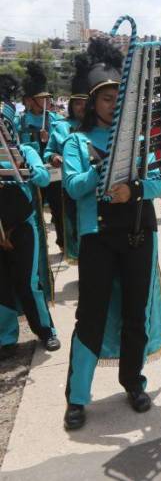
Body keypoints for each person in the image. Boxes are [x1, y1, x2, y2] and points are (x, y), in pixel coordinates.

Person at [62, 37, 161, 430]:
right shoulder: (76, 141)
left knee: (134, 315)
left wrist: (136, 189)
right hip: (98, 237)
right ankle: (77, 397)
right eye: (107, 99)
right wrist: (103, 170)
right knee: (89, 316)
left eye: (118, 97)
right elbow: (73, 187)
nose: (114, 104)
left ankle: (134, 382)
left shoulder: (142, 142)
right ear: (92, 103)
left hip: (139, 235)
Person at [0, 77, 60, 360]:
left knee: (28, 282)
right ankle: (6, 338)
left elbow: (44, 176)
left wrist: (25, 169)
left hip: (22, 226)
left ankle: (46, 330)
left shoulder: (26, 151)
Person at [44, 54, 89, 261]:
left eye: (85, 103)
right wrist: (53, 157)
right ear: (71, 104)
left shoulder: (97, 127)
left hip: (91, 186)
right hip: (68, 186)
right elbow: (48, 151)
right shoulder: (60, 126)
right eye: (77, 103)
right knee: (71, 225)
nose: (81, 107)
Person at [19, 62, 66, 248]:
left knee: (59, 209)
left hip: (54, 172)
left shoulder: (57, 120)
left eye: (48, 98)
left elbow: (64, 144)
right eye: (42, 98)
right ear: (30, 100)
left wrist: (49, 142)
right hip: (33, 174)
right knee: (34, 212)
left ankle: (63, 242)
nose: (47, 101)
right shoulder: (20, 121)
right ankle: (40, 246)